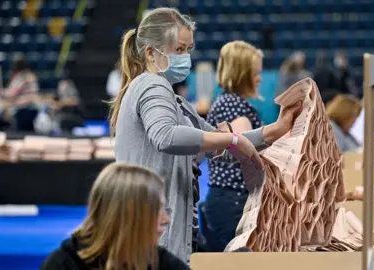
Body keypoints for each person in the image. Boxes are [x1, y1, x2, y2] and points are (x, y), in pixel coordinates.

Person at [109, 8, 301, 263]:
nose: (185, 57)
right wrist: (230, 139)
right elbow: (165, 136)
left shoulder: (174, 100)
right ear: (150, 53)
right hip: (151, 226)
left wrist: (277, 128)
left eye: (188, 50)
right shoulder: (151, 85)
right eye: (179, 50)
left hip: (161, 223)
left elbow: (217, 142)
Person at [40, 162, 189, 270]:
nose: (166, 220)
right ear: (129, 216)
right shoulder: (63, 264)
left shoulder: (163, 263)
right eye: (157, 210)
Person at [201, 41, 264, 252]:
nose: (260, 78)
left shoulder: (229, 103)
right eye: (255, 73)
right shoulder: (233, 106)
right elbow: (246, 154)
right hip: (234, 201)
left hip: (229, 199)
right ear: (242, 74)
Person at [0, 56, 40, 131]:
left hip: (23, 109)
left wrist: (1, 92)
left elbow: (11, 95)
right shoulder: (31, 75)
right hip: (33, 109)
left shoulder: (21, 77)